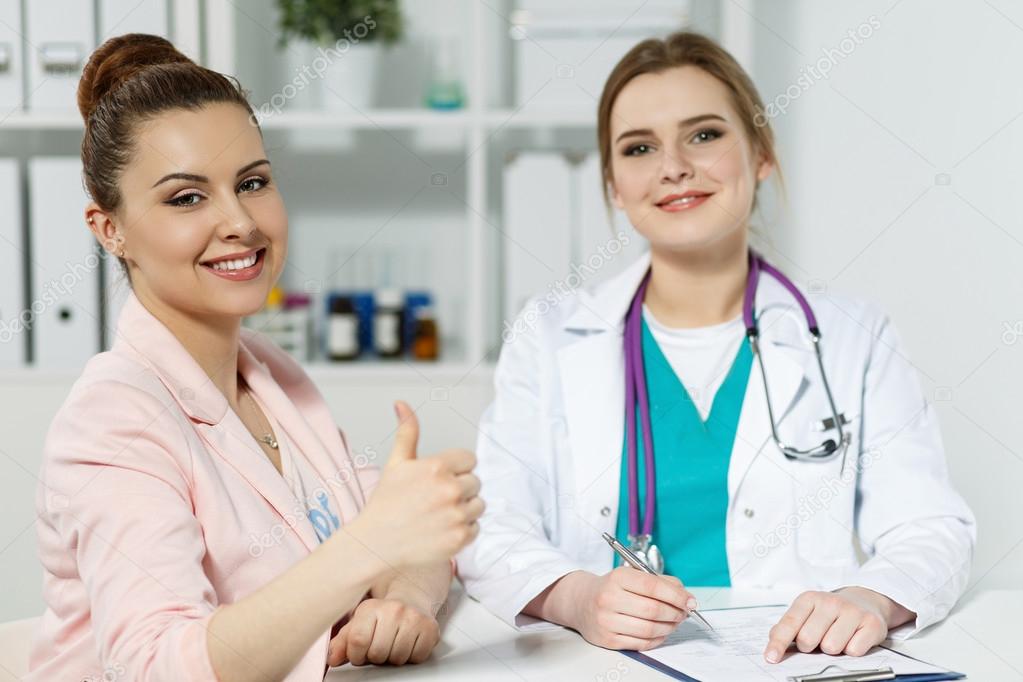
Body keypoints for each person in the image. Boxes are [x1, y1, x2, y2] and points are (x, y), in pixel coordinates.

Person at [457, 31, 974, 663]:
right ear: (615, 185)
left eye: (704, 134)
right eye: (639, 147)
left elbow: (930, 525)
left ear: (760, 153)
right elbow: (492, 528)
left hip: (796, 661)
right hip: (598, 664)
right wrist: (578, 598)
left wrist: (871, 597)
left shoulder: (851, 336)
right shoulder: (549, 335)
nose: (674, 165)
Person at [27, 34, 483, 681]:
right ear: (110, 229)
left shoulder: (270, 375)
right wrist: (370, 546)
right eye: (187, 197)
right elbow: (159, 666)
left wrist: (405, 601)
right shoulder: (111, 421)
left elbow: (408, 546)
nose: (239, 221)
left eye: (252, 182)